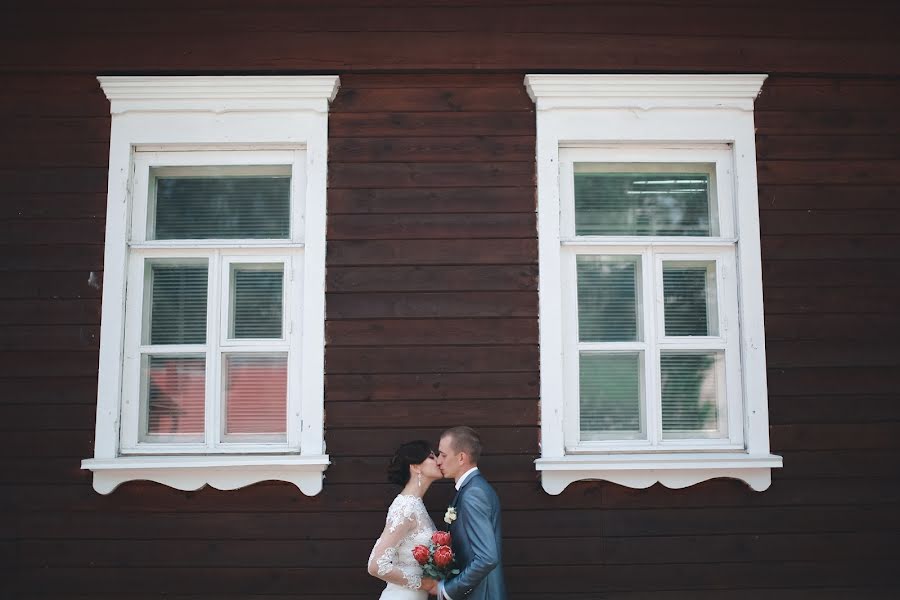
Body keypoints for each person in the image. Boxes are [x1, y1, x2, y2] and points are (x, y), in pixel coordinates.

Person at [424, 426, 507, 599]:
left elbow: (487, 558)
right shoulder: (470, 489)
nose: (438, 461)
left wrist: (448, 590)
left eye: (443, 455)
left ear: (461, 457)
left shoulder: (473, 494)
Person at [368, 440, 443, 599]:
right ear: (415, 467)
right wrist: (425, 584)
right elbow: (375, 565)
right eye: (431, 457)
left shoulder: (417, 505)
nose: (439, 461)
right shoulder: (406, 507)